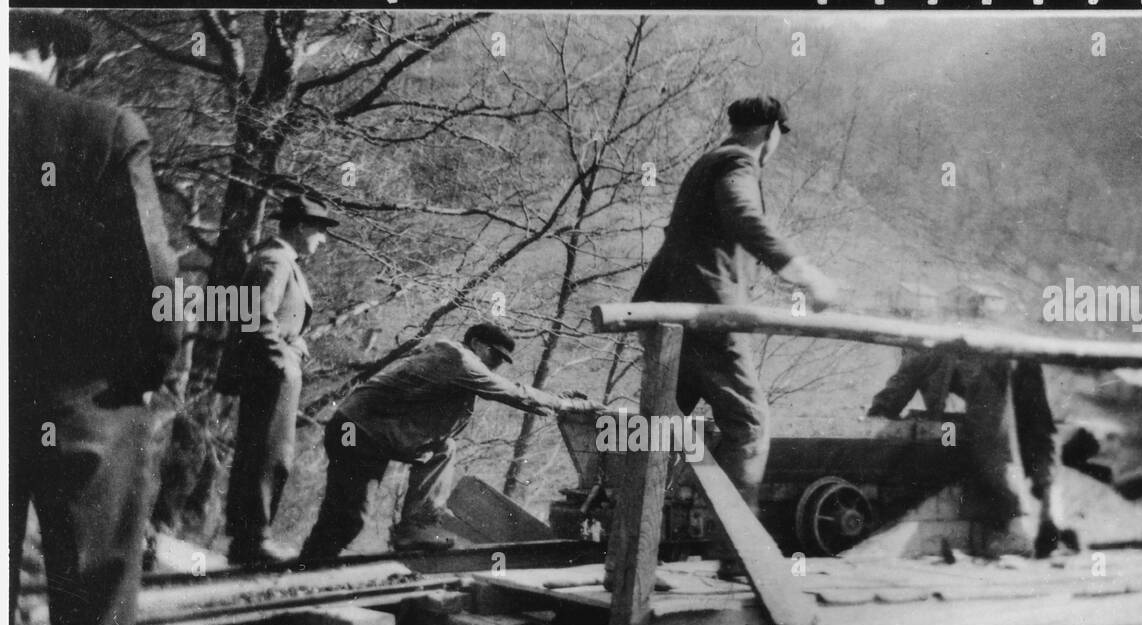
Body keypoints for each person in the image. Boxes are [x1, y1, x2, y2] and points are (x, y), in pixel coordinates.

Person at [9, 10, 181, 625]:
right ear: (44, 51)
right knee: (94, 617)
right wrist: (147, 373)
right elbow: (155, 278)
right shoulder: (102, 128)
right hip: (83, 409)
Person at [630, 95, 841, 577]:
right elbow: (745, 219)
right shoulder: (737, 163)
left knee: (657, 431)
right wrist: (805, 275)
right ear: (770, 134)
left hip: (666, 313)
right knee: (748, 425)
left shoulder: (706, 164)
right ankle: (736, 555)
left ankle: (626, 559)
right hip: (708, 317)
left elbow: (691, 240)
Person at [299, 322, 601, 560]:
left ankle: (411, 529)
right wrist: (569, 405)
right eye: (494, 355)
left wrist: (552, 401)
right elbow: (512, 392)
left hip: (369, 432)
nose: (495, 364)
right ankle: (312, 567)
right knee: (348, 516)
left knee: (440, 451)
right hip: (358, 433)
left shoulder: (446, 355)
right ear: (477, 345)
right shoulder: (459, 360)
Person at [867, 348, 1073, 557]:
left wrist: (878, 416)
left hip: (981, 401)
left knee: (985, 439)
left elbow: (890, 400)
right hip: (1004, 372)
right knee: (1032, 433)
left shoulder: (922, 352)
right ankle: (1045, 512)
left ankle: (1008, 526)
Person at [222, 194, 338, 565]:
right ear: (302, 227)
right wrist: (282, 362)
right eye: (320, 231)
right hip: (269, 374)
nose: (323, 240)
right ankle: (252, 539)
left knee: (270, 456)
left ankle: (250, 540)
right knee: (267, 457)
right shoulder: (275, 260)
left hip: (272, 372)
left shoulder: (281, 260)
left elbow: (277, 317)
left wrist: (296, 345)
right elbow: (252, 316)